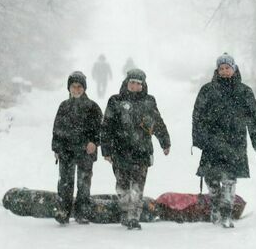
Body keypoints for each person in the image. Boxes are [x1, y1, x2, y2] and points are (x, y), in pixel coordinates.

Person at [192, 53, 256, 228]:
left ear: (234, 68)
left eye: (228, 68)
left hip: (235, 141)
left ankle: (226, 214)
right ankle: (215, 205)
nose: (225, 71)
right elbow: (197, 116)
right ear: (217, 70)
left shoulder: (244, 91)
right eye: (221, 68)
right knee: (211, 178)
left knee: (230, 179)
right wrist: (199, 139)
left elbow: (253, 119)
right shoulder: (207, 90)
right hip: (212, 141)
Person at [101, 68, 171, 230]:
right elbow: (106, 127)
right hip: (120, 151)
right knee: (122, 186)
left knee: (138, 186)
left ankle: (134, 216)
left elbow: (158, 123)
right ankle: (125, 212)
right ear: (127, 83)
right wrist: (106, 149)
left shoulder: (149, 101)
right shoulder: (115, 101)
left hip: (142, 151)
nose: (135, 86)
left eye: (138, 83)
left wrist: (165, 142)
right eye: (132, 82)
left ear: (143, 85)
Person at [51, 71, 103, 225]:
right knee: (65, 182)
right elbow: (57, 129)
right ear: (69, 88)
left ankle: (82, 213)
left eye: (79, 86)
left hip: (86, 151)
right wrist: (56, 148)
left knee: (84, 183)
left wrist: (94, 142)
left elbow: (100, 129)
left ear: (84, 88)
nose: (76, 89)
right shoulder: (64, 106)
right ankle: (63, 212)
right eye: (73, 86)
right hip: (66, 151)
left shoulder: (93, 107)